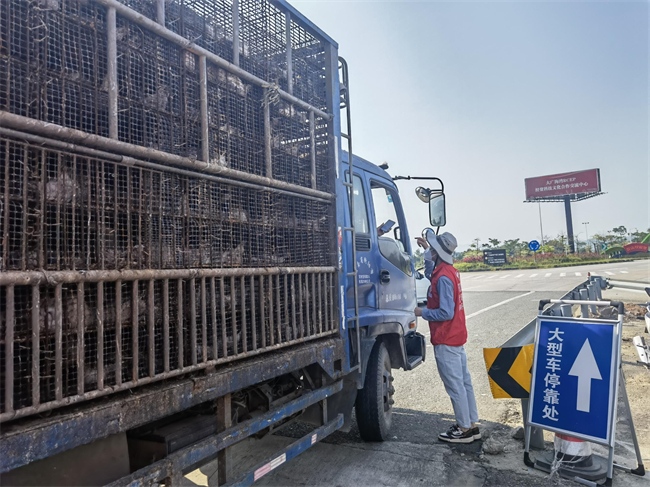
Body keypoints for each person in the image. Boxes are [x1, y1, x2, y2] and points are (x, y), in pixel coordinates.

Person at [414, 230, 480, 443]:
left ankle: (463, 430)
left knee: (455, 385)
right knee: (464, 382)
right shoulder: (449, 271)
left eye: (432, 249)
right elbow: (429, 273)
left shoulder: (443, 277)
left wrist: (420, 312)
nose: (431, 251)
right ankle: (470, 423)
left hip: (446, 337)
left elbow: (445, 312)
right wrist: (426, 251)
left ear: (438, 252)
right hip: (456, 336)